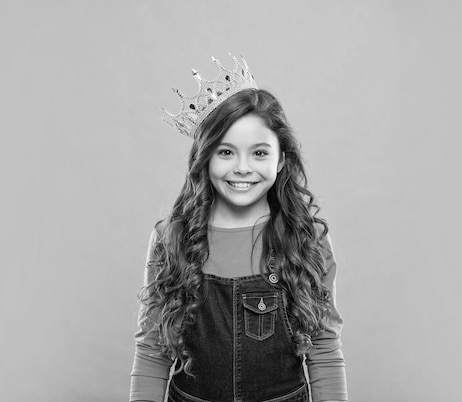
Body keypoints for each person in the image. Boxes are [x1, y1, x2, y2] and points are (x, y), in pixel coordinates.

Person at [130, 54, 347, 402]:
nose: (243, 168)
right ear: (204, 159)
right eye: (226, 152)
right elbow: (154, 349)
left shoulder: (306, 239)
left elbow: (323, 347)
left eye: (259, 153)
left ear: (281, 159)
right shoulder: (172, 238)